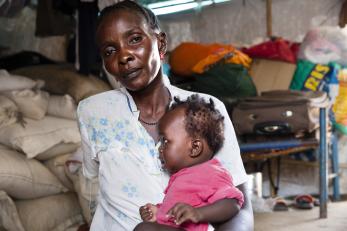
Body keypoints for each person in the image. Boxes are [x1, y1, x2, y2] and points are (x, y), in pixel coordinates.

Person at [77, 0, 254, 230]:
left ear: (160, 43)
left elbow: (240, 206)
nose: (124, 56)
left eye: (134, 39)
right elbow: (93, 191)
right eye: (110, 51)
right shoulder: (93, 113)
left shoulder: (207, 110)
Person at [137, 94, 244, 231]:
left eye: (165, 141)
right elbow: (174, 213)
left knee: (144, 229)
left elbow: (232, 203)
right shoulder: (182, 176)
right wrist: (157, 212)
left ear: (195, 148)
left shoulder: (210, 172)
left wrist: (198, 213)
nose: (160, 148)